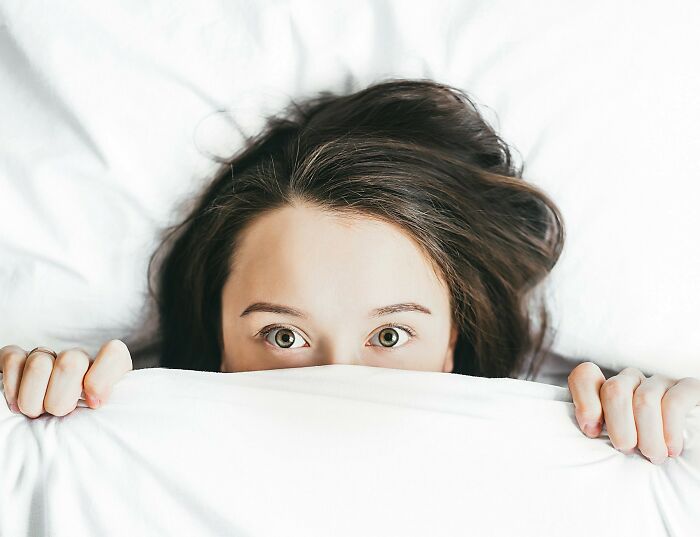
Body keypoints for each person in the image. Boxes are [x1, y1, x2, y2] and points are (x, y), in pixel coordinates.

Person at [1, 79, 697, 465]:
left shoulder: (572, 453)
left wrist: (670, 429)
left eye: (390, 336)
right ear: (216, 336)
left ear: (456, 339)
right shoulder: (115, 454)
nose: (338, 383)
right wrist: (29, 408)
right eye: (282, 335)